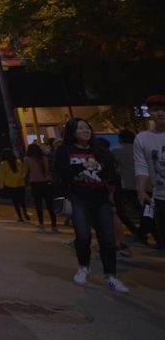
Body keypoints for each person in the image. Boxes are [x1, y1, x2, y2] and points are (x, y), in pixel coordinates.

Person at [53, 117, 129, 292]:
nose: (85, 131)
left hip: (100, 199)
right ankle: (83, 267)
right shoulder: (65, 150)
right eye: (80, 128)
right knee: (83, 237)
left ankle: (111, 276)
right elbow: (61, 172)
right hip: (79, 198)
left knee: (108, 240)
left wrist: (102, 171)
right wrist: (82, 166)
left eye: (87, 128)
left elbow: (111, 174)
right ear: (72, 132)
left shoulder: (99, 150)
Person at [133, 95, 165, 250]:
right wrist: (141, 190)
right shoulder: (142, 138)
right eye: (155, 110)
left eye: (163, 109)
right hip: (160, 197)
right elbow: (141, 165)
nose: (160, 113)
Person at [25, 143, 57, 231]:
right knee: (50, 205)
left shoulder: (27, 159)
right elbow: (48, 170)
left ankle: (41, 223)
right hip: (47, 182)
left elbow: (26, 171)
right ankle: (54, 225)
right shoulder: (44, 158)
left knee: (38, 204)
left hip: (35, 183)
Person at [0, 148, 29, 223]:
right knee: (22, 200)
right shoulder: (18, 161)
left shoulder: (3, 164)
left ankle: (20, 216)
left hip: (11, 185)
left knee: (15, 201)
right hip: (20, 184)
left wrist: (0, 185)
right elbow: (23, 172)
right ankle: (25, 212)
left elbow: (1, 175)